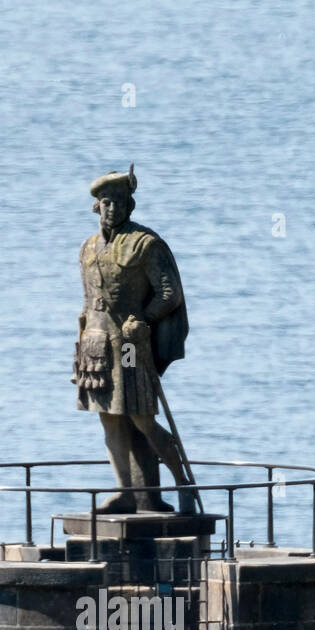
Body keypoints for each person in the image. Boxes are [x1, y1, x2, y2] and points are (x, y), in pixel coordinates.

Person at [74, 166, 195, 512]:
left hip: (127, 348)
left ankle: (183, 483)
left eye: (120, 202)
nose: (113, 208)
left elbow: (170, 292)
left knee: (140, 416)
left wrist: (143, 318)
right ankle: (126, 491)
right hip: (94, 348)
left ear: (130, 205)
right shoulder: (88, 248)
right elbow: (86, 299)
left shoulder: (145, 244)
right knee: (109, 418)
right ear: (97, 206)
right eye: (107, 202)